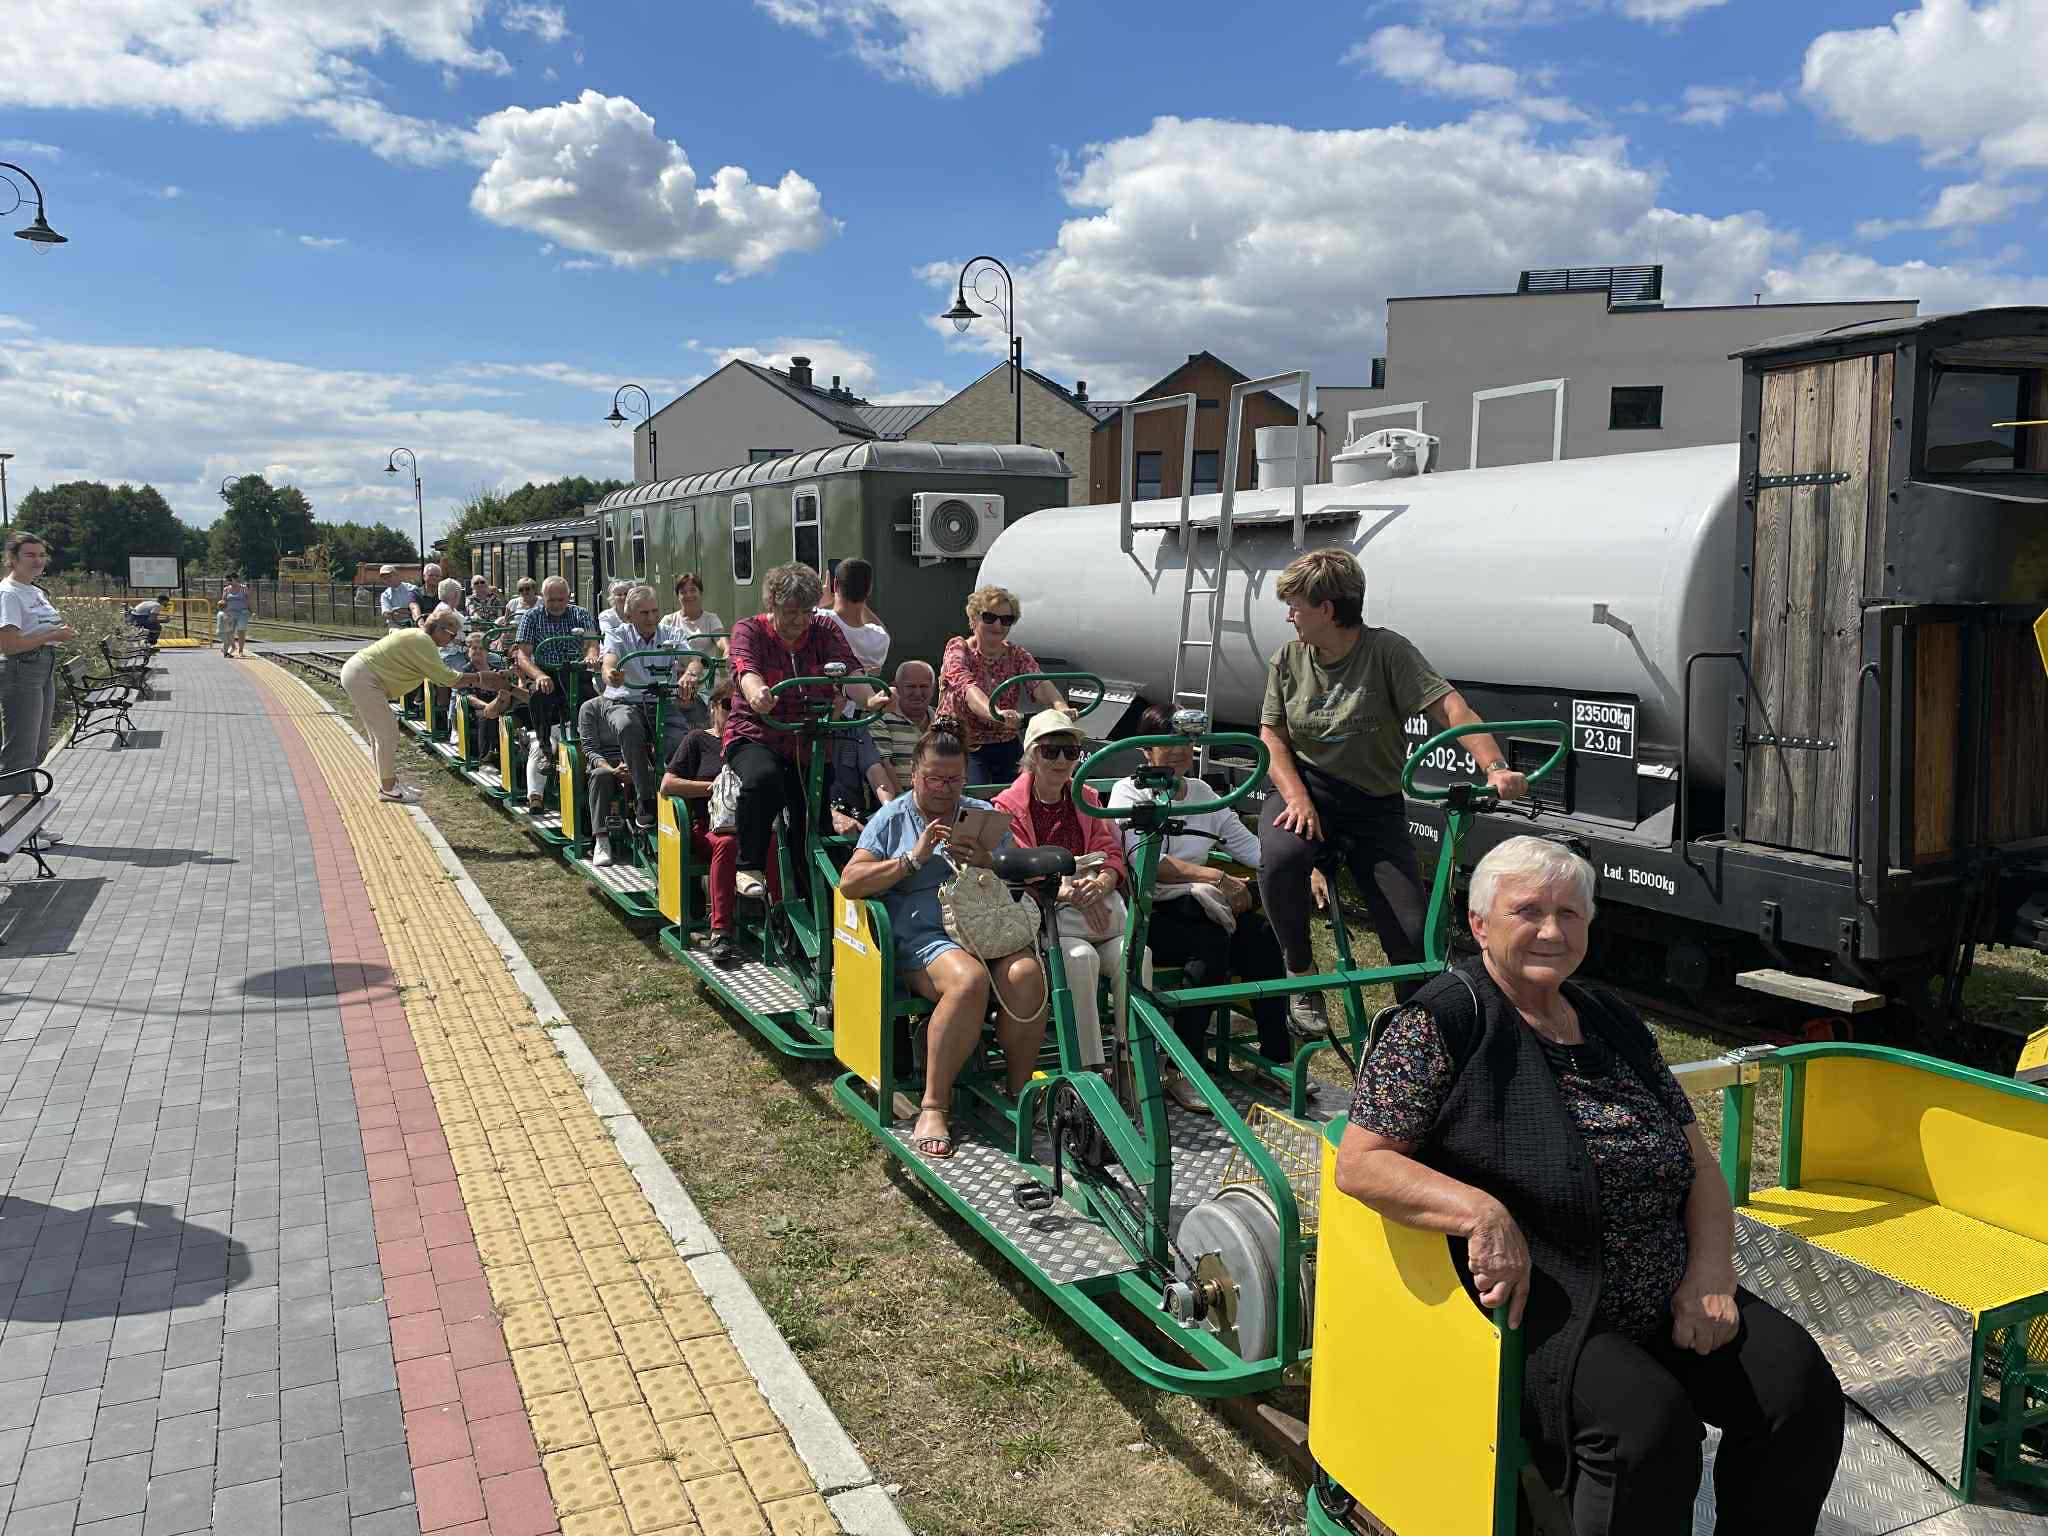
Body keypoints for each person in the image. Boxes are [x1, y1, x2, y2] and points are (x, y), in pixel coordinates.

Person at [1337, 836, 1843, 1533]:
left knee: (1800, 1388)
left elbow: (1698, 1163)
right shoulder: (1443, 1020)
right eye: (1528, 911)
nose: (1552, 930)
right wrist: (1480, 1211)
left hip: (1666, 1284)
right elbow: (1361, 1162)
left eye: (1570, 913)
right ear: (1479, 924)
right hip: (1553, 1298)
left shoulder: (1610, 1018)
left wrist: (1709, 1275)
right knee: (1648, 1433)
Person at [1258, 548, 1528, 1031]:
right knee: (1281, 858)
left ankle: (1420, 1033)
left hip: (1372, 805)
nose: (1289, 616)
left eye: (1295, 606)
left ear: (1327, 609)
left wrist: (1495, 766)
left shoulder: (1387, 652)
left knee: (1412, 936)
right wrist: (1297, 797)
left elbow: (1451, 710)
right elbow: (1272, 738)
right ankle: (1300, 972)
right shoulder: (1289, 658)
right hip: (1307, 790)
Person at [841, 722, 1047, 1160]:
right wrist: (911, 860)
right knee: (968, 980)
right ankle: (934, 1105)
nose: (943, 789)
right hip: (924, 936)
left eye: (954, 780)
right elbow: (851, 882)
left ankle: (1019, 1090)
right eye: (934, 779)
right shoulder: (893, 818)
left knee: (1028, 974)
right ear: (914, 774)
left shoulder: (980, 813)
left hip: (983, 927)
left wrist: (988, 860)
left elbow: (1019, 870)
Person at [1108, 705, 1292, 1106]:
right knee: (1209, 944)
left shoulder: (1203, 794)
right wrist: (1215, 877)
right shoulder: (1129, 792)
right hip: (1148, 913)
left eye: (1184, 742)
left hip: (1203, 909)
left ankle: (1275, 1057)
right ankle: (1182, 1067)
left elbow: (1250, 848)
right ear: (1146, 750)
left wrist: (1296, 868)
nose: (1177, 751)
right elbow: (1145, 863)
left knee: (1261, 937)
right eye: (1166, 743)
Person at [992, 711, 1147, 1075]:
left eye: (1070, 751)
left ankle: (1133, 1061)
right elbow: (1016, 864)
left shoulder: (1086, 797)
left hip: (1096, 908)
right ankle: (1088, 1067)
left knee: (1135, 956)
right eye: (1051, 751)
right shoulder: (1008, 806)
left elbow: (1111, 850)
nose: (1062, 760)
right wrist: (1065, 891)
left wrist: (1102, 883)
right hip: (1048, 915)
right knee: (1079, 958)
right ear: (1032, 754)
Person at [724, 563, 863, 901]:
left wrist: (872, 697)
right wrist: (757, 693)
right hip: (758, 734)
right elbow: (745, 668)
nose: (800, 620)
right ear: (771, 604)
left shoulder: (824, 629)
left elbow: (850, 671)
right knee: (763, 778)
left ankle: (816, 905)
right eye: (790, 612)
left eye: (807, 612)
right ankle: (749, 865)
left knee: (812, 823)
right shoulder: (749, 630)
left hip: (809, 740)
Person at [660, 683, 781, 966]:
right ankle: (720, 930)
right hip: (710, 825)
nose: (733, 711)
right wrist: (712, 788)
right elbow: (668, 785)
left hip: (751, 825)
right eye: (728, 705)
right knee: (727, 845)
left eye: (741, 706)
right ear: (713, 707)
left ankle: (780, 921)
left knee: (775, 843)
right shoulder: (698, 740)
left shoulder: (755, 745)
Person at [340, 606, 503, 803]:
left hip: (360, 675)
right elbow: (448, 679)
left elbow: (441, 677)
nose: (452, 640)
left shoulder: (420, 638)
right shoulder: (423, 641)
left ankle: (389, 783)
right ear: (440, 629)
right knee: (387, 734)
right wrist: (481, 677)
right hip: (364, 679)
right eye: (452, 635)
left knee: (380, 736)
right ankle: (388, 789)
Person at [941, 585, 1066, 786]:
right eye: (989, 617)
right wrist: (996, 713)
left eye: (1006, 620)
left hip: (1004, 741)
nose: (998, 625)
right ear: (973, 619)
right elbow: (967, 689)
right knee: (977, 793)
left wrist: (1060, 706)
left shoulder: (1016, 654)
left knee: (1024, 790)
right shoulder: (959, 649)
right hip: (963, 742)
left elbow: (1038, 681)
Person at [600, 585, 693, 829]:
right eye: (644, 613)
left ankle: (680, 794)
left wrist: (690, 674)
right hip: (625, 700)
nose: (651, 618)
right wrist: (612, 674)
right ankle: (645, 797)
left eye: (654, 611)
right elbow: (608, 662)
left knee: (682, 740)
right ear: (629, 615)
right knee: (628, 726)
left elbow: (693, 659)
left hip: (661, 701)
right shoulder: (618, 634)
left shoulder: (671, 633)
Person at [512, 576, 597, 812]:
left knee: (593, 703)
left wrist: (591, 655)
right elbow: (523, 655)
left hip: (574, 671)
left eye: (561, 599)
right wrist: (539, 675)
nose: (557, 604)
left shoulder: (580, 614)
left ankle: (592, 746)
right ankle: (544, 749)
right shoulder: (532, 617)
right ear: (543, 598)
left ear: (568, 597)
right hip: (546, 672)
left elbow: (592, 643)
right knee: (539, 695)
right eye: (552, 600)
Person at [0, 533, 75, 800]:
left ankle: (22, 807)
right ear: (12, 559)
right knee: (21, 749)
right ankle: (12, 814)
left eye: (42, 555)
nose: (38, 561)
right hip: (22, 669)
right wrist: (52, 635)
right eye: (30, 555)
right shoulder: (9, 594)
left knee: (38, 747)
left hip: (42, 666)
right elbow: (9, 645)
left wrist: (57, 633)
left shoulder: (34, 590)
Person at [574, 693, 631, 867]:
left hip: (631, 759)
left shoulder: (633, 702)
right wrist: (612, 769)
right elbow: (590, 749)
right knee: (601, 776)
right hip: (603, 762)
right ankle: (601, 839)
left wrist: (631, 764)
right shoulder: (590, 708)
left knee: (651, 773)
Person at [870, 659, 935, 796]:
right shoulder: (881, 718)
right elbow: (885, 764)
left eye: (924, 686)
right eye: (911, 687)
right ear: (896, 688)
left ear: (933, 688)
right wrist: (903, 801)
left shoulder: (941, 718)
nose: (918, 693)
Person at [668, 573, 726, 658]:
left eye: (693, 590)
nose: (688, 595)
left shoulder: (711, 619)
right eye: (683, 592)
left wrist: (727, 649)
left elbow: (720, 638)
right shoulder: (669, 621)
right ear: (678, 596)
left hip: (706, 666)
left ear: (700, 593)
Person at [378, 566, 421, 630]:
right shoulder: (385, 595)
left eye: (389, 576)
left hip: (414, 624)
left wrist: (395, 611)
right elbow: (386, 614)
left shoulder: (411, 588)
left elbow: (419, 609)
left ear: (397, 575)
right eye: (384, 578)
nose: (387, 580)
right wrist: (409, 612)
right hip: (395, 625)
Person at [219, 574, 252, 656]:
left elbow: (248, 600)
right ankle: (232, 647)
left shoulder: (244, 588)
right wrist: (223, 611)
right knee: (230, 632)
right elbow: (223, 601)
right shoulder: (226, 589)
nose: (229, 582)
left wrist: (250, 610)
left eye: (231, 580)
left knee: (241, 631)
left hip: (242, 613)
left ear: (236, 579)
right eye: (228, 580)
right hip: (230, 613)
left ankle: (241, 651)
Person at [597, 580, 633, 645]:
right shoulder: (606, 616)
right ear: (612, 598)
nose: (623, 597)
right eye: (619, 595)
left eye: (626, 594)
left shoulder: (638, 614)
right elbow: (609, 635)